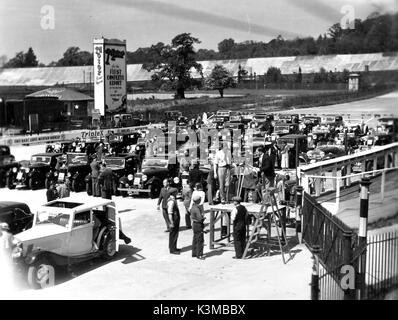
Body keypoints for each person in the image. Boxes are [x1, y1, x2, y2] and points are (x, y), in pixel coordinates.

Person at [190, 195, 205, 259]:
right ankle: (199, 254)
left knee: (195, 239)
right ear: (198, 201)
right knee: (200, 240)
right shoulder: (197, 208)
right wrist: (203, 218)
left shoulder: (192, 207)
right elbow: (199, 218)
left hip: (194, 224)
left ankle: (194, 253)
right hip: (198, 224)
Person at [167, 188, 181, 254]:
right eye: (176, 192)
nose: (177, 193)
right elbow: (170, 213)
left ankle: (173, 247)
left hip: (175, 219)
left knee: (174, 234)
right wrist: (172, 222)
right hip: (174, 220)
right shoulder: (171, 201)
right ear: (173, 193)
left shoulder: (173, 199)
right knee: (174, 234)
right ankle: (172, 250)